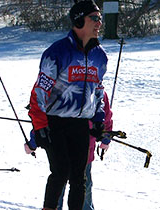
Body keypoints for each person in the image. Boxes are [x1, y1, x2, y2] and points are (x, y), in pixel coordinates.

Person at [27, 1, 107, 209]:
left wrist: (99, 119)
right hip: (55, 122)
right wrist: (40, 126)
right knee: (61, 172)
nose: (100, 23)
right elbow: (39, 93)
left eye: (100, 18)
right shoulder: (57, 52)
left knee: (79, 178)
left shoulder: (100, 56)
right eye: (95, 18)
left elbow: (98, 91)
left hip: (80, 124)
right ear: (79, 20)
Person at [57, 91, 113, 210]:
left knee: (64, 182)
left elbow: (106, 116)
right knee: (79, 183)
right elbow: (106, 117)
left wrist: (106, 138)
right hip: (76, 148)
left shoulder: (65, 86)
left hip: (75, 147)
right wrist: (106, 139)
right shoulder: (97, 91)